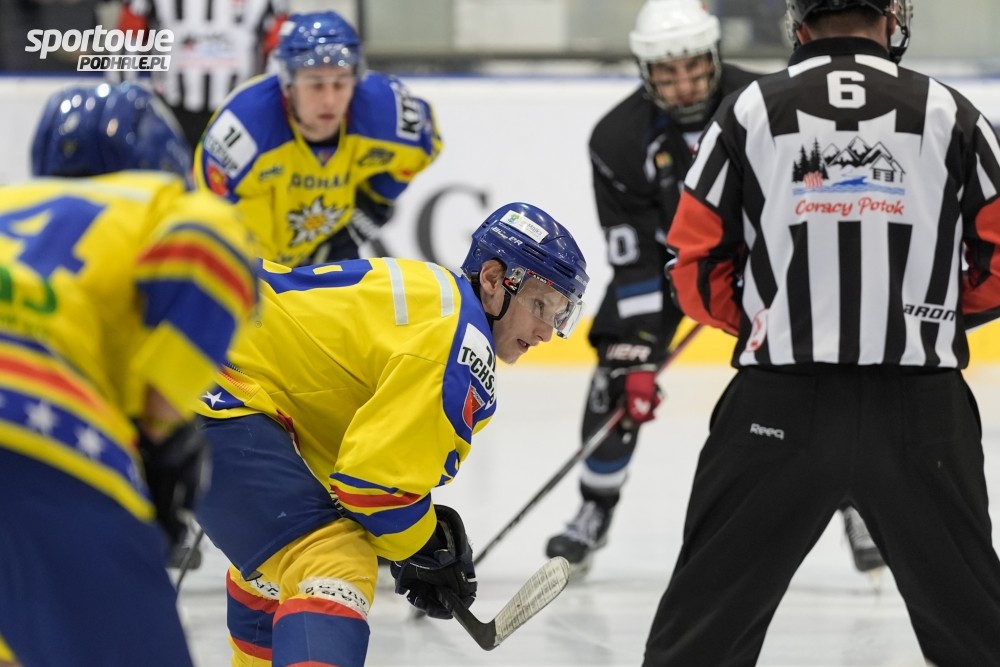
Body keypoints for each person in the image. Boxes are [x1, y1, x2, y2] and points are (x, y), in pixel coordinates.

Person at [643, 1, 1000, 664]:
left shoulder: (749, 110)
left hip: (779, 404)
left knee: (701, 638)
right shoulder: (951, 111)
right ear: (892, 18)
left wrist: (770, 320)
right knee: (979, 636)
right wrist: (932, 313)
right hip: (921, 409)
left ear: (799, 24)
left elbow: (692, 265)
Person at [192, 201, 588, 666]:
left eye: (559, 316)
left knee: (280, 558)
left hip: (196, 337)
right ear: (493, 279)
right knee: (334, 562)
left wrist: (418, 541)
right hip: (208, 376)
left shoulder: (437, 299)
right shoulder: (461, 345)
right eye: (539, 305)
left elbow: (352, 458)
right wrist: (422, 546)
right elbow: (371, 488)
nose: (546, 333)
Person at [0, 82, 258, 667]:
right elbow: (214, 251)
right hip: (46, 446)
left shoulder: (9, 201)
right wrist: (160, 432)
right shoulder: (156, 203)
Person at [543, 0, 764, 575]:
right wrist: (638, 349)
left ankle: (851, 504)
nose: (684, 84)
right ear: (645, 71)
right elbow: (635, 254)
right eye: (667, 73)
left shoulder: (766, 103)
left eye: (694, 67)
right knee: (617, 376)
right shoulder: (617, 138)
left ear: (715, 56)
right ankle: (595, 506)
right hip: (670, 266)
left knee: (816, 370)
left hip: (764, 260)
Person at [194, 9, 442, 267]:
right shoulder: (243, 127)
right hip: (248, 263)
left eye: (340, 83)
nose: (330, 101)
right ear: (288, 84)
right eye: (315, 85)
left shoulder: (385, 112)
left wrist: (369, 209)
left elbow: (427, 143)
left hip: (323, 254)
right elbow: (210, 214)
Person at [114, 0, 289, 146]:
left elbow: (281, 48)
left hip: (240, 114)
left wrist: (265, 108)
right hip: (170, 112)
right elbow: (127, 38)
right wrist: (129, 105)